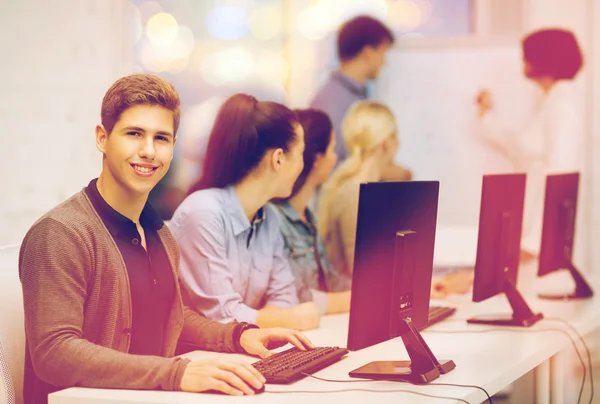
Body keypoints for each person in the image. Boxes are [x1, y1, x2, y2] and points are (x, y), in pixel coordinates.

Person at [18, 75, 313, 404]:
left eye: (161, 138)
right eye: (134, 134)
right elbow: (55, 353)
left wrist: (238, 335)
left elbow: (172, 317)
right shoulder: (60, 233)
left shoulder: (158, 232)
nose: (148, 151)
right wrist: (177, 374)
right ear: (102, 138)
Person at [170, 94, 321, 331]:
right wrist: (287, 320)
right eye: (301, 154)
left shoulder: (269, 217)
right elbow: (223, 315)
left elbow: (284, 296)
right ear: (278, 159)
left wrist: (272, 320)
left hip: (243, 351)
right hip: (195, 359)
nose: (302, 166)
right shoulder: (203, 214)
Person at [318, 100, 472, 298]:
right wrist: (432, 287)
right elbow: (364, 277)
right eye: (395, 136)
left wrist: (432, 283)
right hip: (350, 312)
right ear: (386, 142)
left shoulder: (365, 189)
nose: (398, 143)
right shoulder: (353, 194)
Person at [476, 28, 584, 261]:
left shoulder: (562, 105)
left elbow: (560, 177)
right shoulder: (547, 102)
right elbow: (519, 150)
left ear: (544, 59)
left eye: (526, 56)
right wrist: (486, 115)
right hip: (530, 229)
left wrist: (534, 243)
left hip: (541, 241)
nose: (522, 62)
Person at [309, 15, 411, 180]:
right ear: (368, 53)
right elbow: (330, 168)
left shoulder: (356, 95)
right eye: (383, 52)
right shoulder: (331, 101)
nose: (385, 62)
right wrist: (383, 172)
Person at [271, 109, 352, 315]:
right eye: (332, 149)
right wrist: (365, 299)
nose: (335, 159)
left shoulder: (308, 216)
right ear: (317, 158)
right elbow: (297, 297)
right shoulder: (274, 219)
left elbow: (333, 282)